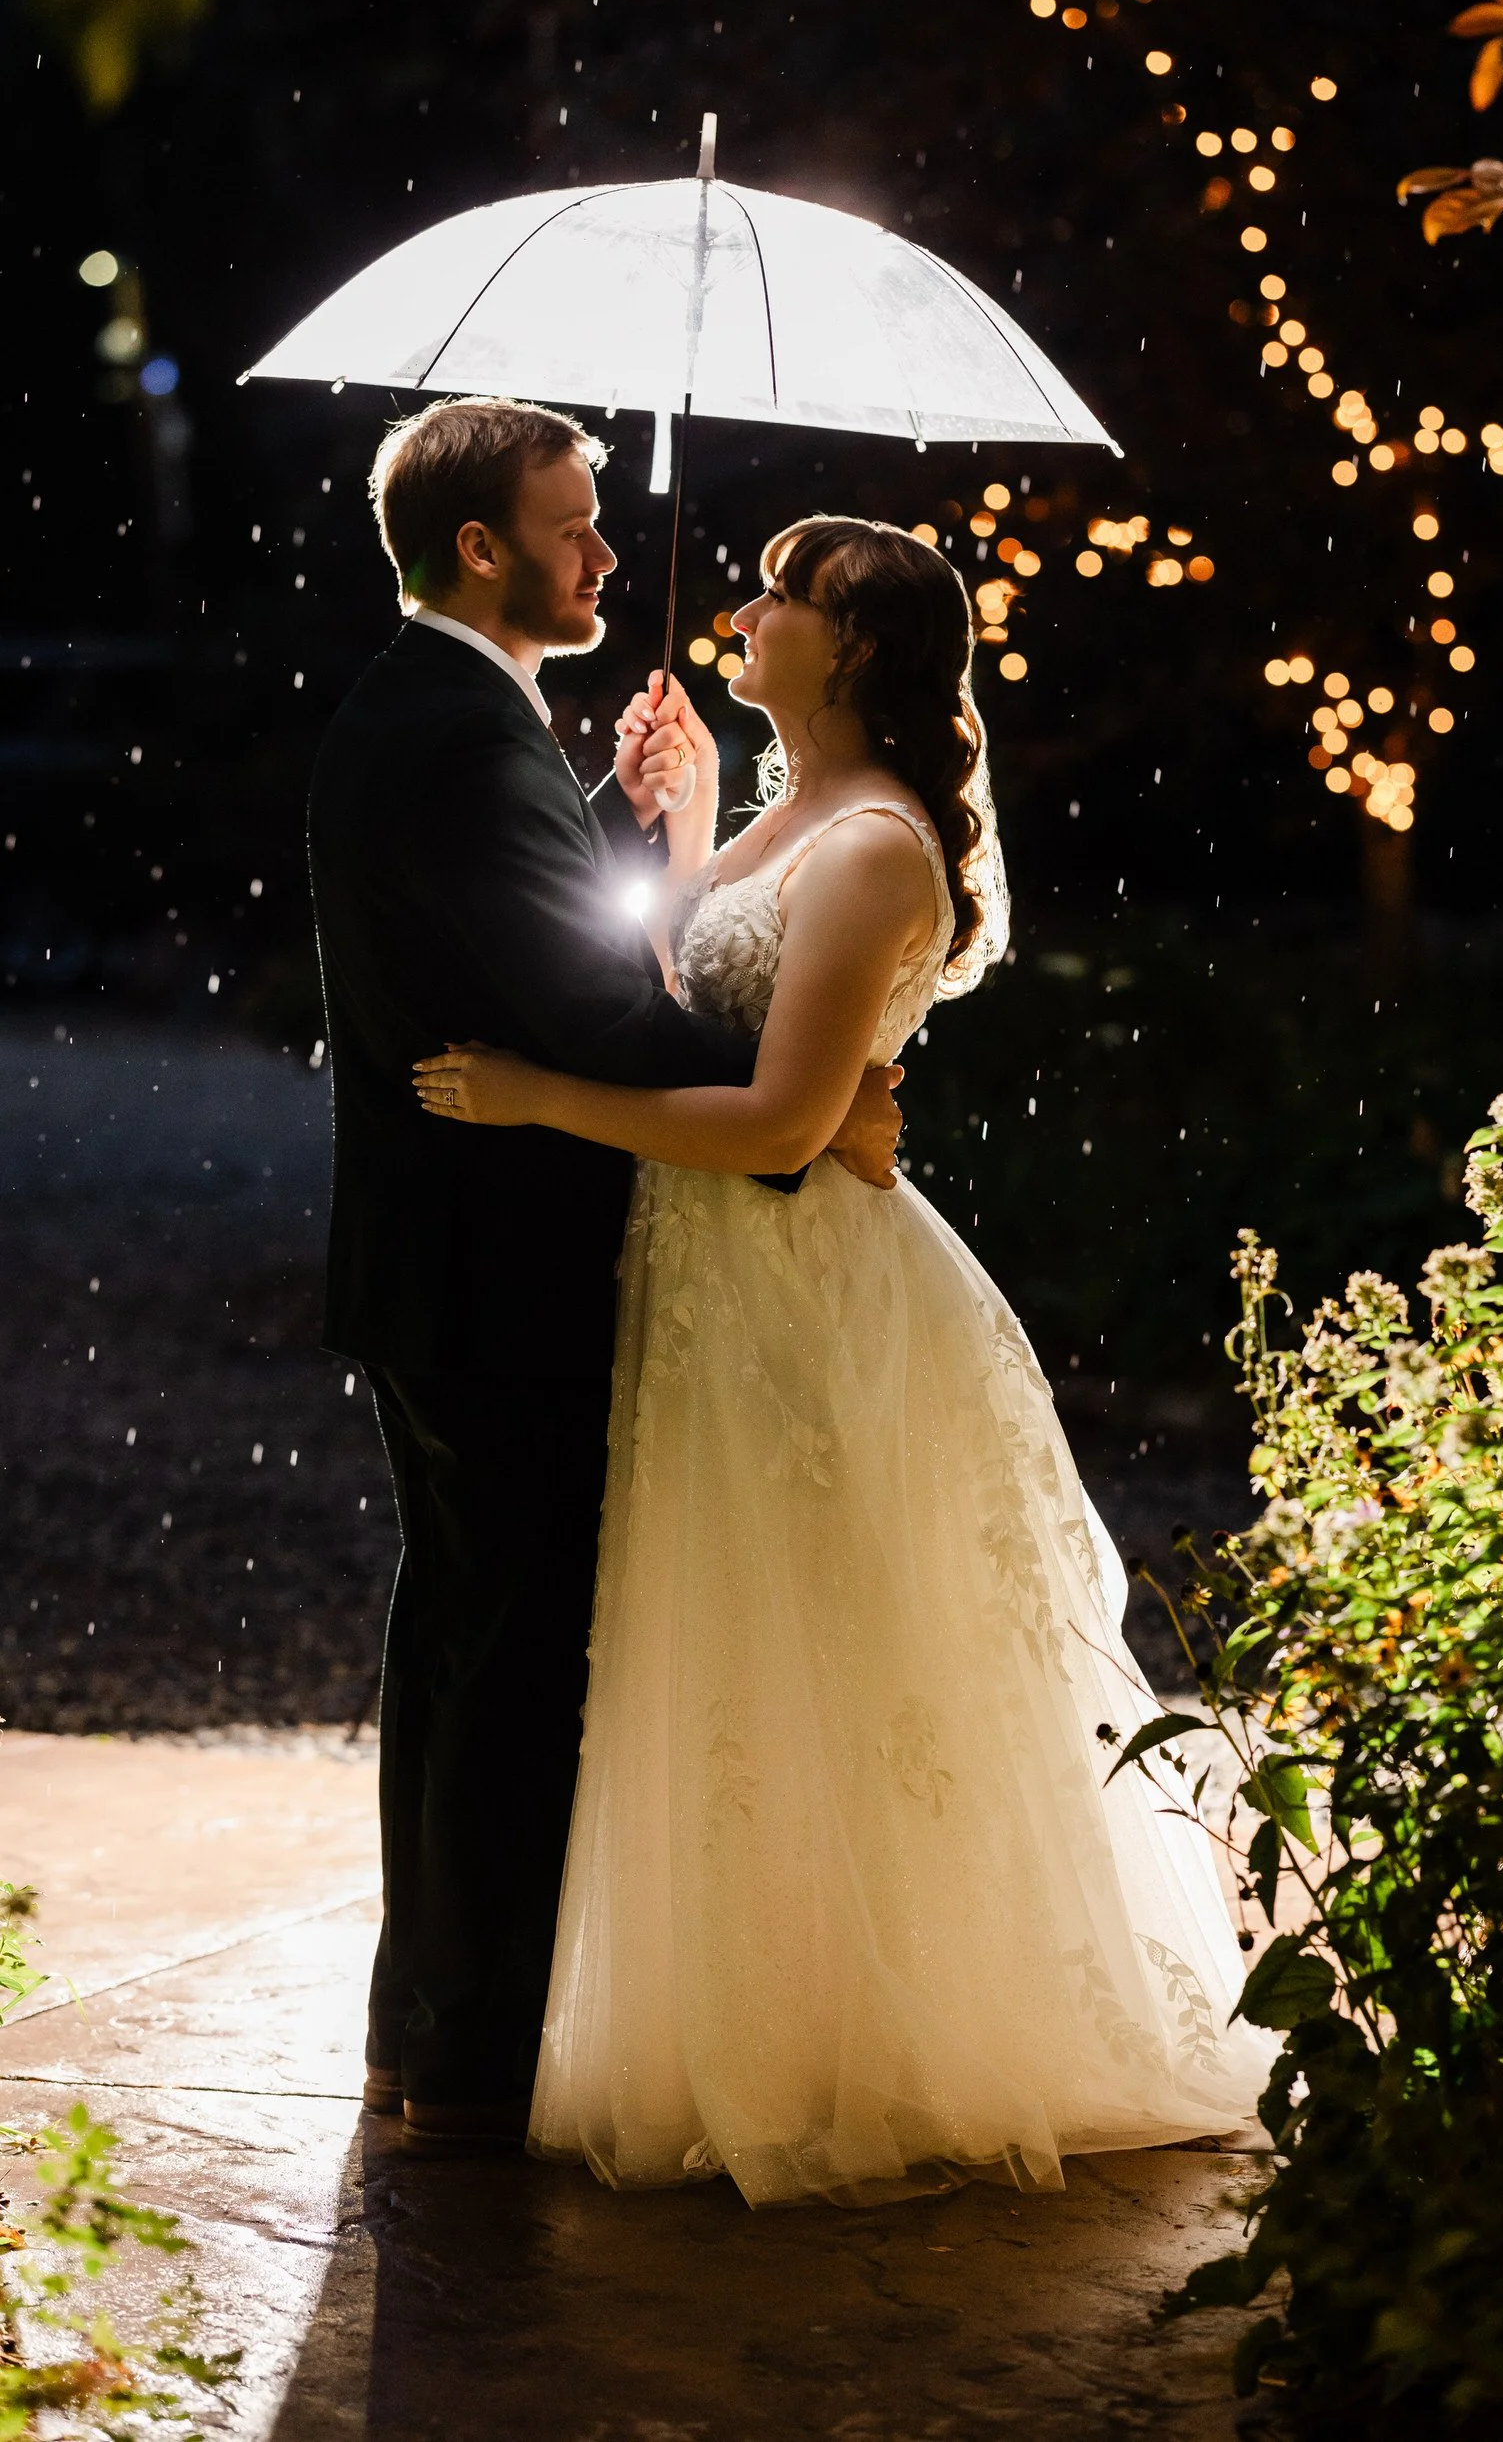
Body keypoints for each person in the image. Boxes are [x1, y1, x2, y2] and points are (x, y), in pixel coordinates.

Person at [414, 512, 1272, 2206]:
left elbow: (786, 1122)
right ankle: (746, 2011)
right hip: (706, 1279)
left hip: (795, 1292)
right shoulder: (789, 811)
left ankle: (859, 2045)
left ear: (857, 646)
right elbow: (686, 990)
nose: (740, 609)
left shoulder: (878, 845)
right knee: (724, 1646)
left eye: (779, 596)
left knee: (814, 1653)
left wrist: (539, 1101)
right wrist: (673, 826)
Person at [308, 401, 902, 2155]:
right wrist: (795, 1099)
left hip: (430, 1258)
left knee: (455, 1638)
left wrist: (627, 817)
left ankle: (418, 2024)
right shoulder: (455, 735)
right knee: (510, 1656)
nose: (605, 559)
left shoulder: (428, 716)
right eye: (574, 530)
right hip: (496, 1264)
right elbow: (574, 1011)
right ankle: (478, 2057)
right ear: (481, 548)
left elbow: (508, 918)